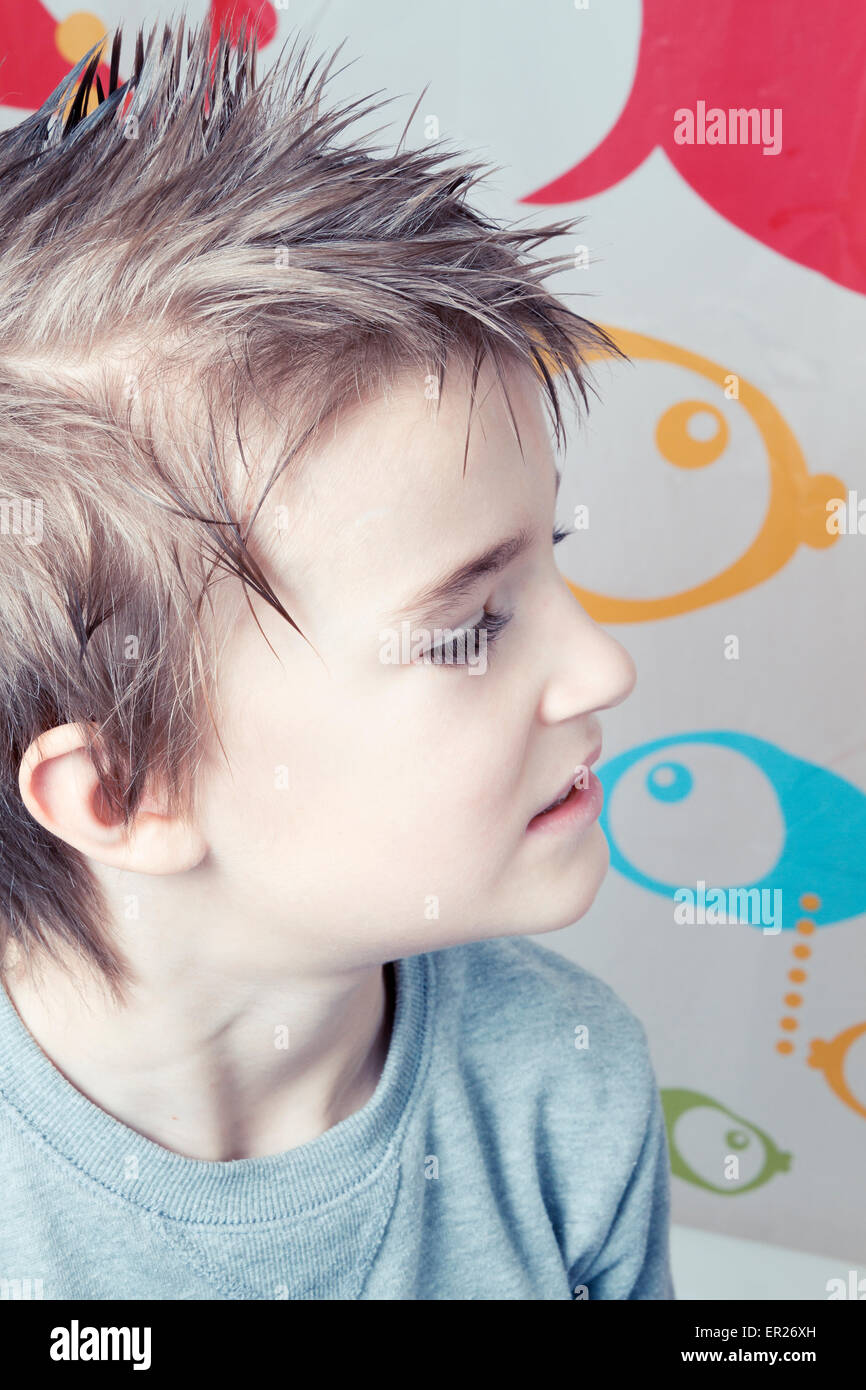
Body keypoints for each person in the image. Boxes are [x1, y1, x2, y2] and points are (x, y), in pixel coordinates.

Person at [0, 14, 674, 1300]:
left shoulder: (562, 1090)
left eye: (553, 559)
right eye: (468, 626)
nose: (598, 668)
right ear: (127, 789)